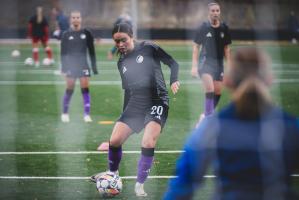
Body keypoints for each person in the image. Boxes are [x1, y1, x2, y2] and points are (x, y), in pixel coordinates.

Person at [164, 47, 299, 200]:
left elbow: (181, 188)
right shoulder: (291, 127)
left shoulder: (211, 129)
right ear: (269, 79)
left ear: (227, 81)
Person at [91, 22, 180, 197]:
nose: (120, 44)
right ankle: (113, 175)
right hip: (136, 102)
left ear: (132, 36)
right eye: (116, 41)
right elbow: (128, 91)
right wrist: (123, 118)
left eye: (123, 40)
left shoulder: (148, 48)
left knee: (147, 142)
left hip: (157, 100)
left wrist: (174, 80)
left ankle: (140, 185)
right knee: (115, 140)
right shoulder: (121, 62)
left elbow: (172, 63)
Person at [191, 2, 231, 125]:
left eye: (217, 11)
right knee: (210, 89)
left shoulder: (224, 28)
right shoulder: (203, 27)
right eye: (213, 11)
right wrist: (194, 66)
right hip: (205, 63)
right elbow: (196, 47)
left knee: (218, 92)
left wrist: (230, 65)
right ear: (209, 12)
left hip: (219, 64)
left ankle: (205, 115)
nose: (215, 13)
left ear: (220, 12)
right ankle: (207, 120)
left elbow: (227, 48)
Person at [60, 10, 98, 123]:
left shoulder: (87, 33)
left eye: (77, 17)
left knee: (85, 89)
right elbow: (63, 53)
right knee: (69, 89)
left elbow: (92, 51)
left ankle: (87, 114)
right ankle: (65, 113)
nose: (76, 19)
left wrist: (94, 67)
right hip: (71, 65)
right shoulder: (66, 34)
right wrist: (64, 68)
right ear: (70, 20)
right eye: (73, 17)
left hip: (83, 65)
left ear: (81, 19)